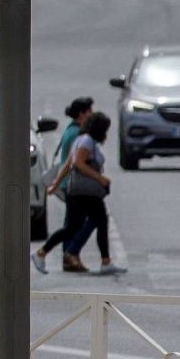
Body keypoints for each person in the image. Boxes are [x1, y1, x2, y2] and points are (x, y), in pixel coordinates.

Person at [32, 112, 127, 276]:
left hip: (77, 192)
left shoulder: (80, 139)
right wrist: (100, 178)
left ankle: (42, 253)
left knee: (74, 227)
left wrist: (55, 184)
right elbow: (77, 163)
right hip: (85, 193)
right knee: (97, 222)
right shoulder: (87, 141)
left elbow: (67, 164)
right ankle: (105, 261)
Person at [35, 97, 96, 271]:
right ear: (82, 114)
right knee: (79, 223)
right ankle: (56, 252)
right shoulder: (78, 133)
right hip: (74, 184)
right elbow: (73, 161)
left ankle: (68, 256)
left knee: (73, 222)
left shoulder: (71, 129)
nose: (91, 115)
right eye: (89, 112)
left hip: (69, 184)